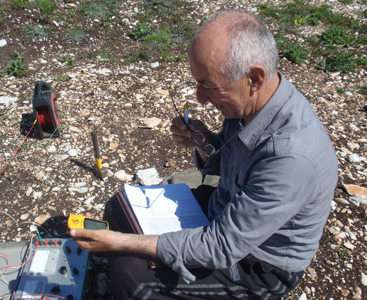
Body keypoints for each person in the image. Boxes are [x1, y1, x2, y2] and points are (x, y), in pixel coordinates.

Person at [70, 9, 338, 300]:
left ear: (254, 78)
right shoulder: (252, 103)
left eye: (209, 86)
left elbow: (221, 246)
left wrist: (123, 243)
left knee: (132, 276)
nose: (199, 98)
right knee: (120, 207)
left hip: (259, 264)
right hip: (225, 210)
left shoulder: (291, 157)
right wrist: (204, 142)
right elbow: (232, 163)